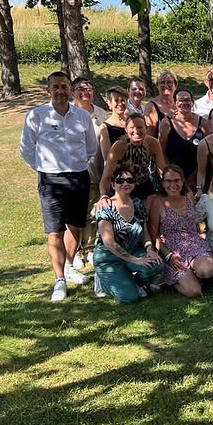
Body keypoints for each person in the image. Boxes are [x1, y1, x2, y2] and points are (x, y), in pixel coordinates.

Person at [20, 71, 98, 301]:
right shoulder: (36, 116)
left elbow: (91, 148)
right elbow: (26, 149)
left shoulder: (82, 116)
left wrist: (76, 165)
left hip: (78, 177)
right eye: (56, 87)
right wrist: (44, 169)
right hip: (50, 180)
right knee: (55, 230)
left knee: (75, 225)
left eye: (64, 87)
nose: (60, 91)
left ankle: (69, 265)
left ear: (70, 90)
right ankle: (59, 280)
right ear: (48, 90)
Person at [93, 165, 163, 303]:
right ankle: (103, 281)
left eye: (130, 180)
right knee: (130, 298)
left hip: (132, 251)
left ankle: (132, 281)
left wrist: (150, 249)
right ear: (113, 184)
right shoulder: (105, 207)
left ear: (134, 184)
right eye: (120, 181)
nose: (125, 183)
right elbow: (109, 243)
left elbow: (144, 233)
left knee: (157, 264)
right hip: (109, 258)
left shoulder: (137, 203)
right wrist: (136, 260)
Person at [148, 164, 213, 297]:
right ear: (163, 183)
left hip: (194, 244)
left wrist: (203, 232)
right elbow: (153, 234)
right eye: (168, 181)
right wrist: (168, 256)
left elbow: (199, 218)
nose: (173, 184)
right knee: (194, 291)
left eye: (176, 180)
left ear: (182, 181)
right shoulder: (158, 203)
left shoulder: (188, 196)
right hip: (173, 251)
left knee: (207, 271)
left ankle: (194, 271)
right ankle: (170, 279)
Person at [71, 76, 109, 270]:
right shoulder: (68, 113)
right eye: (80, 89)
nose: (85, 92)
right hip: (74, 172)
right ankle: (75, 251)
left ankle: (89, 248)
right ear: (73, 92)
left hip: (96, 171)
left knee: (92, 213)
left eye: (89, 89)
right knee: (75, 213)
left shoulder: (101, 114)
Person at [100, 114, 166, 207]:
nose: (136, 131)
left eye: (140, 127)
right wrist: (104, 195)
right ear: (126, 130)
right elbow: (106, 176)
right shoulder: (119, 146)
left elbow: (162, 170)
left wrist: (169, 188)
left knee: (154, 204)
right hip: (122, 185)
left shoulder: (153, 143)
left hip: (143, 184)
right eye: (132, 128)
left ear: (146, 128)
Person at [159, 88, 207, 191]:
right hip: (173, 181)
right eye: (180, 100)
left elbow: (208, 152)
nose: (184, 103)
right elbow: (161, 151)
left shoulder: (203, 123)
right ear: (175, 103)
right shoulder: (166, 123)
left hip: (197, 178)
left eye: (187, 100)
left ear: (192, 102)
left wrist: (196, 176)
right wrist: (171, 174)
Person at [99, 87, 129, 161]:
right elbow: (107, 158)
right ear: (109, 103)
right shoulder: (105, 128)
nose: (120, 104)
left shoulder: (131, 122)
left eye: (122, 100)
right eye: (116, 100)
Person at [144, 70, 177, 137]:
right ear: (157, 86)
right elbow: (150, 136)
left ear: (175, 85)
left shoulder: (179, 104)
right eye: (162, 82)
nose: (166, 85)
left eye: (169, 82)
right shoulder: (151, 107)